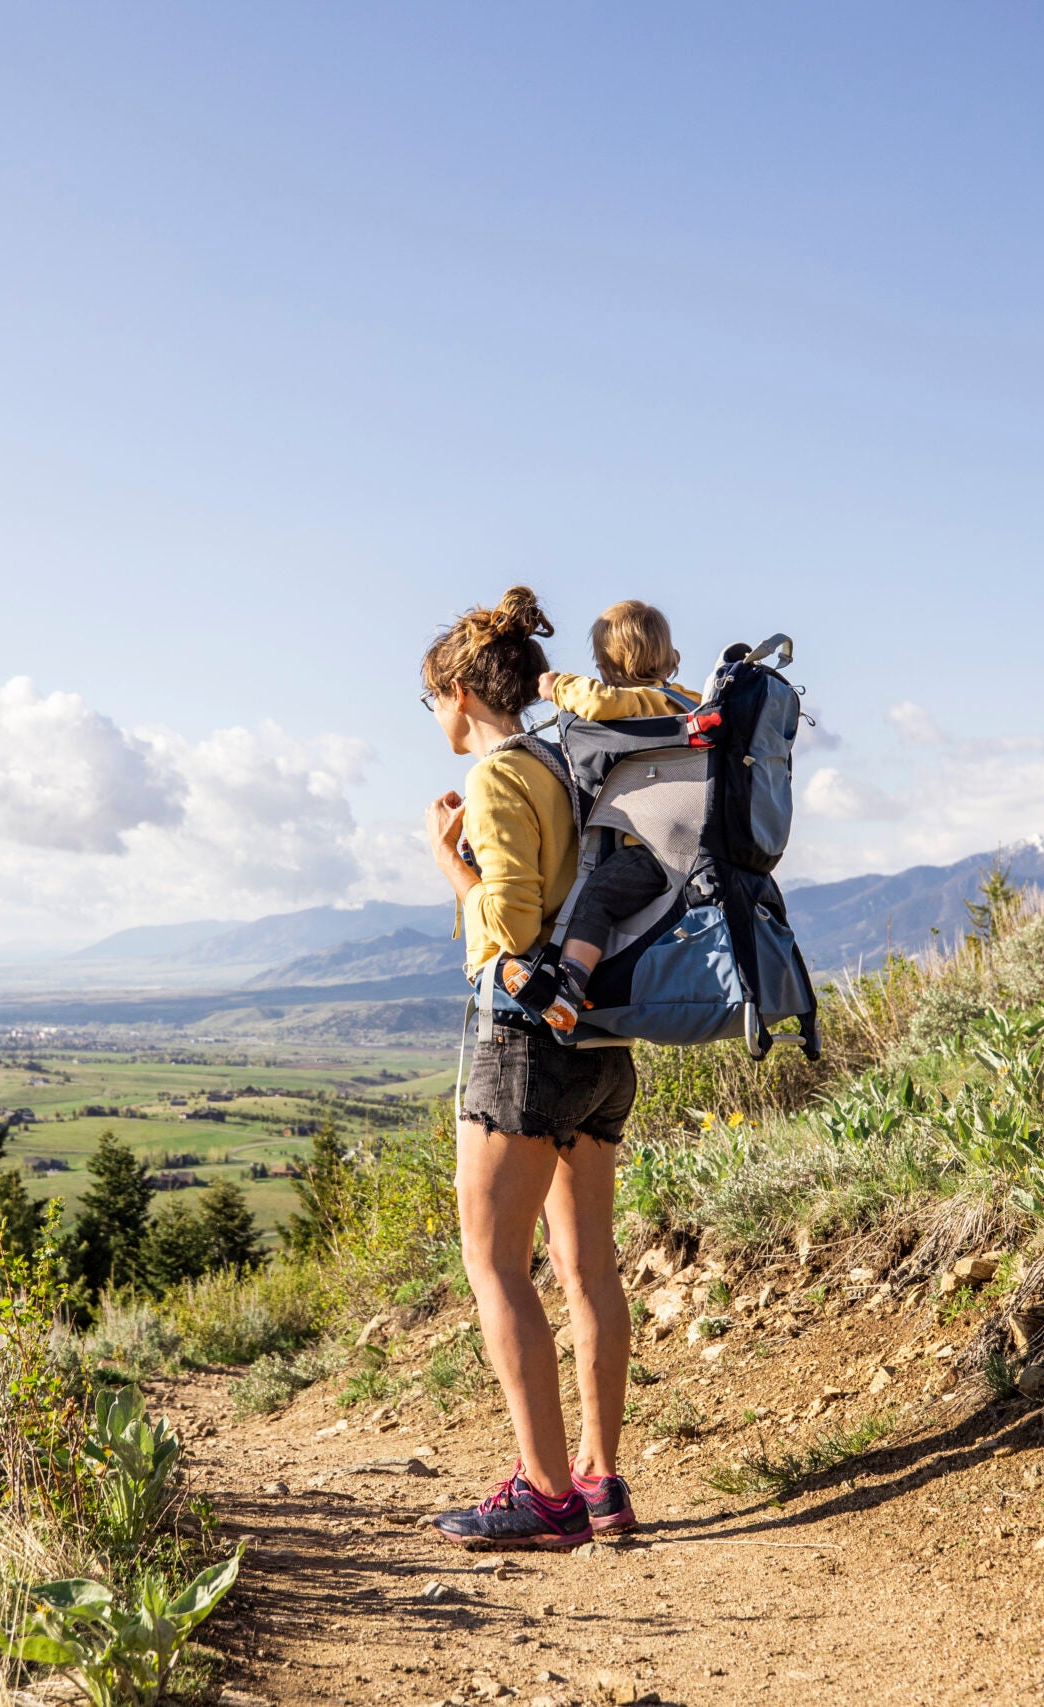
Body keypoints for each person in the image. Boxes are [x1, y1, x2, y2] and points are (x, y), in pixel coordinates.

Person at [420, 586, 637, 1550]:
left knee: (495, 1264)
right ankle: (599, 1480)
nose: (435, 717)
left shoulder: (506, 775)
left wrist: (452, 869)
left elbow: (507, 927)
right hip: (599, 1045)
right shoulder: (567, 760)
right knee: (588, 1267)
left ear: (463, 691)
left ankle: (546, 1496)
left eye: (432, 699)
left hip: (523, 1047)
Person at [498, 598, 699, 1033]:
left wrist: (555, 684)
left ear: (608, 667)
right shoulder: (691, 704)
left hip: (652, 852)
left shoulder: (639, 703)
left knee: (597, 896)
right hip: (695, 849)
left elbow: (596, 703)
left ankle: (568, 987)